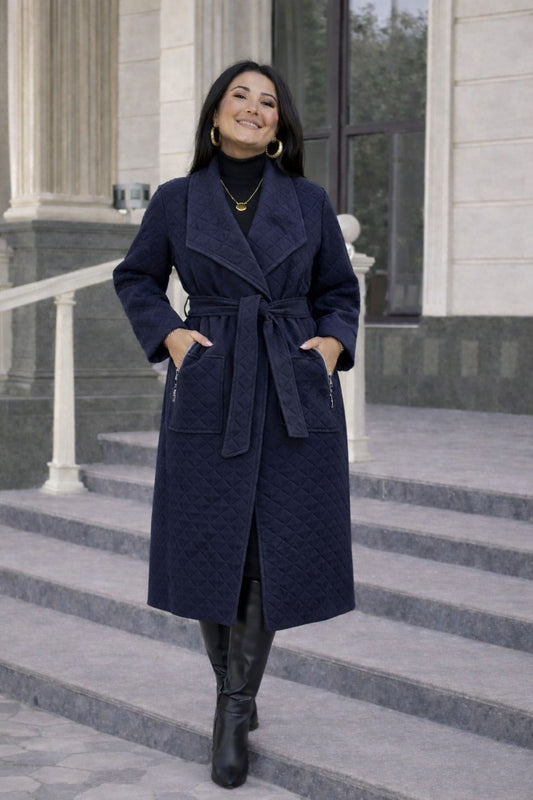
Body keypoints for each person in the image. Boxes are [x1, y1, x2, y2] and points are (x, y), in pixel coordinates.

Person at [113, 60, 360, 789]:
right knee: (211, 541)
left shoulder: (308, 201)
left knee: (268, 545)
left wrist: (330, 345)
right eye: (239, 96)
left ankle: (231, 707)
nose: (253, 108)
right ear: (216, 114)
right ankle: (236, 695)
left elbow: (338, 290)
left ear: (279, 124)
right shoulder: (177, 199)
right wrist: (173, 337)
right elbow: (136, 277)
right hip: (214, 376)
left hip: (290, 379)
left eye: (267, 101)